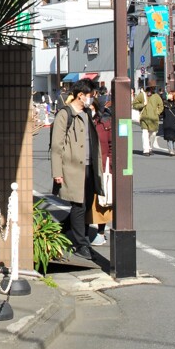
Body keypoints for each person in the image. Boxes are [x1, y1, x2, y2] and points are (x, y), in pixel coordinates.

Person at [50, 80, 104, 260]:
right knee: (78, 205)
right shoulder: (65, 115)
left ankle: (61, 230)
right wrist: (57, 172)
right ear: (81, 95)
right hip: (72, 168)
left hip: (89, 167)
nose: (93, 98)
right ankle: (82, 244)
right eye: (91, 95)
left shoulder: (87, 113)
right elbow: (56, 147)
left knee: (86, 204)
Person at [86, 96, 112, 244]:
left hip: (103, 167)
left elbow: (110, 146)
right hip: (88, 166)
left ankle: (101, 233)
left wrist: (110, 165)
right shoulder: (86, 122)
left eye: (91, 108)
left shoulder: (105, 123)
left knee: (102, 202)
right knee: (88, 202)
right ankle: (85, 233)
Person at [133, 81, 164, 155]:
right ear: (148, 87)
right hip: (144, 117)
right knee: (145, 134)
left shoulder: (156, 96)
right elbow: (134, 104)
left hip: (154, 119)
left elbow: (161, 106)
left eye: (154, 87)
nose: (153, 88)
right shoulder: (142, 95)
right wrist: (142, 105)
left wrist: (158, 112)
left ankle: (150, 147)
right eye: (152, 87)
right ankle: (146, 150)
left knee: (153, 134)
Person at [163, 91, 175, 156]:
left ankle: (173, 150)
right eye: (169, 94)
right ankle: (171, 150)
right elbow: (162, 113)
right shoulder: (165, 103)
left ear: (174, 96)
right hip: (167, 123)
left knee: (174, 138)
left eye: (170, 94)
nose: (169, 95)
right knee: (169, 138)